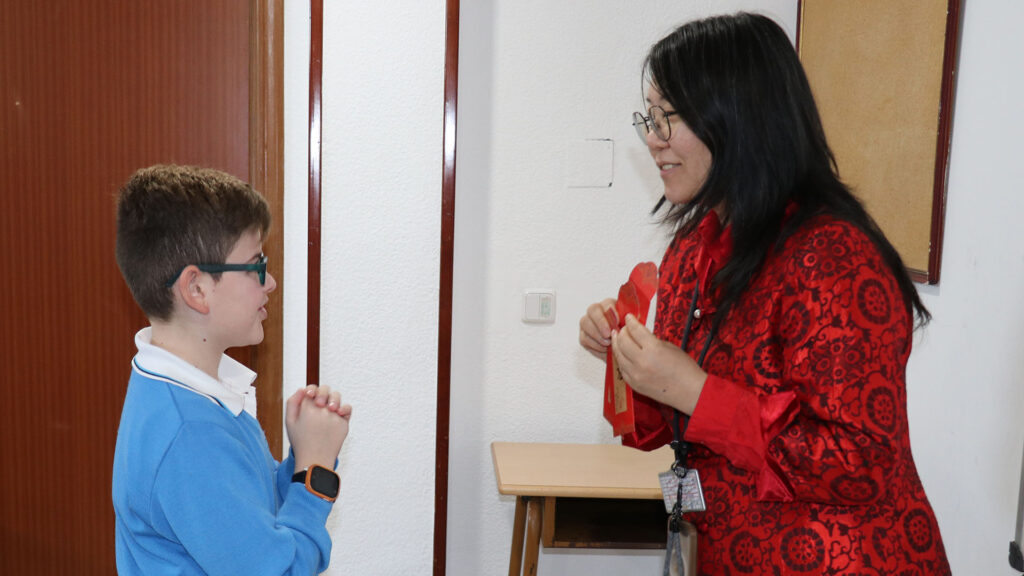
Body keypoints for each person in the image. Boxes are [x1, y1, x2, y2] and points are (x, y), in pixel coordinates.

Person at [578, 13, 950, 575]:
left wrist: (696, 390)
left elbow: (858, 462)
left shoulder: (833, 256)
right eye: (648, 119)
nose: (653, 140)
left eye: (668, 118)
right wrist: (626, 356)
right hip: (735, 554)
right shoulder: (691, 250)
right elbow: (661, 427)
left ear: (739, 117)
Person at [112, 165, 352, 574]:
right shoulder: (191, 433)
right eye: (257, 266)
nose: (270, 281)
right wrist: (315, 472)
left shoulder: (187, 391)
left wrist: (302, 457)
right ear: (197, 289)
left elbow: (249, 521)